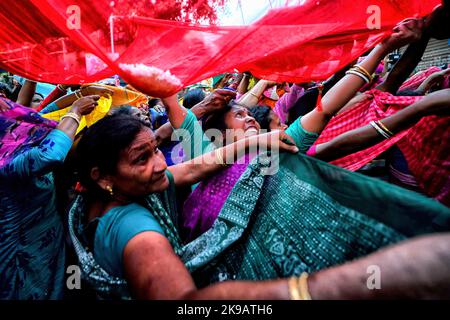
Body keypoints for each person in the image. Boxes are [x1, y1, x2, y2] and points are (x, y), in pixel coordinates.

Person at [69, 112, 450, 300]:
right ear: (102, 174)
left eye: (156, 149)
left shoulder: (106, 195)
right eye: (142, 158)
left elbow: (194, 166)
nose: (160, 164)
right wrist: (313, 290)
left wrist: (256, 142)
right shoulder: (140, 238)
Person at [0, 94, 100, 299]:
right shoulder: (6, 160)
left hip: (50, 241)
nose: (3, 98)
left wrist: (77, 94)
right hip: (23, 254)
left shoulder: (17, 134)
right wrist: (75, 111)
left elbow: (43, 114)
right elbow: (50, 154)